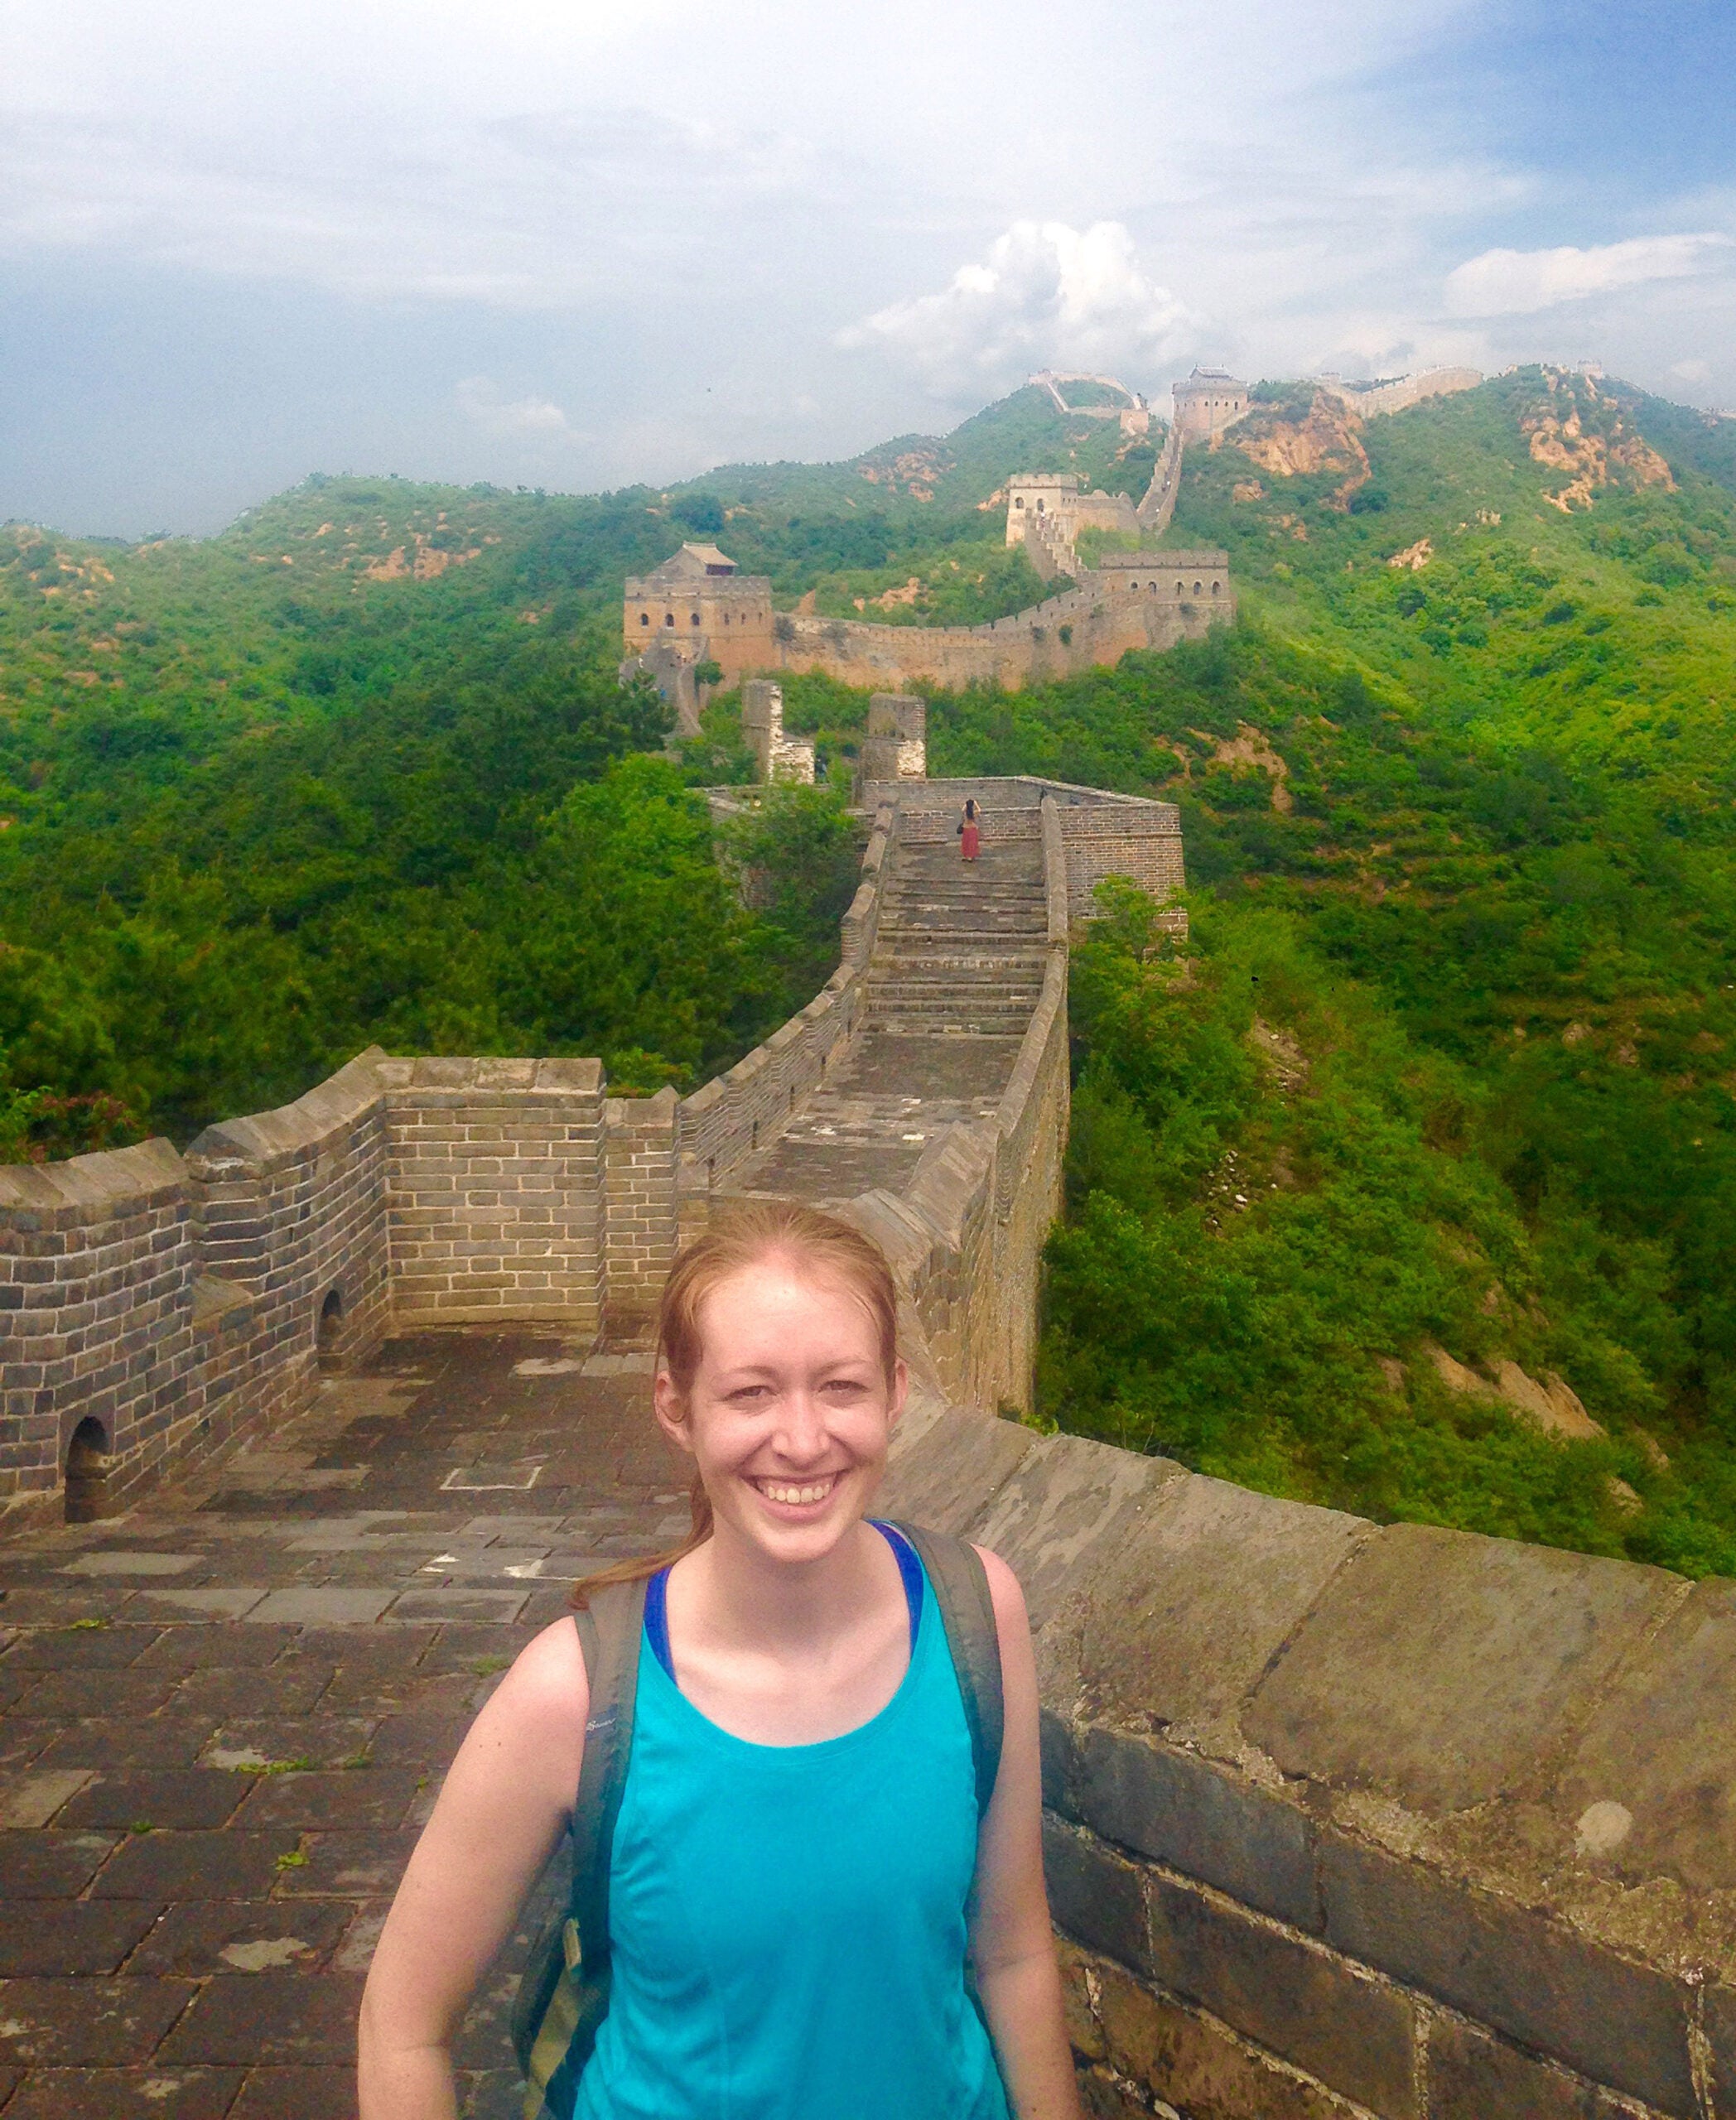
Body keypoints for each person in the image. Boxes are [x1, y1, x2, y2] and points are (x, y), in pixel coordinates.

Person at [357, 1198, 1080, 2120]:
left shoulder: (975, 1614)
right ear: (675, 1406)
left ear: (896, 1393)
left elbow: (1010, 1952)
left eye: (841, 1387)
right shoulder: (576, 1694)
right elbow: (403, 2019)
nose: (803, 1438)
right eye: (751, 1392)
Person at [960, 797, 981, 862]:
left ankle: (966, 855)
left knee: (966, 842)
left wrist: (966, 804)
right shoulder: (973, 813)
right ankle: (970, 856)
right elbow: (979, 810)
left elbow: (962, 810)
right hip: (972, 828)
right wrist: (975, 803)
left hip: (966, 829)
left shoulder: (965, 814)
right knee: (972, 843)